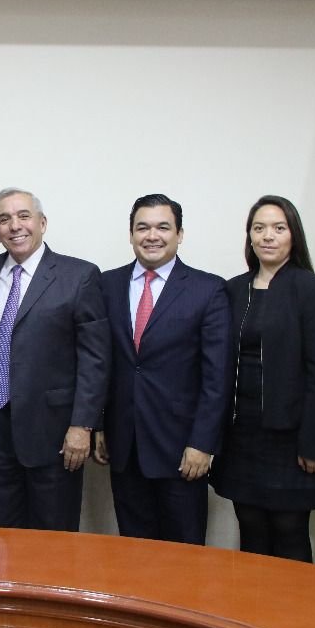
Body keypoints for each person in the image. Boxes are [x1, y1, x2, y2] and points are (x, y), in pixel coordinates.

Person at [94, 194, 231, 545]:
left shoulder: (208, 289)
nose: (152, 235)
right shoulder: (106, 285)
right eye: (143, 227)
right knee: (134, 549)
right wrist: (99, 424)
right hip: (124, 445)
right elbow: (101, 362)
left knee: (183, 554)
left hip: (182, 450)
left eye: (163, 227)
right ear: (131, 234)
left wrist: (203, 443)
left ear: (179, 234)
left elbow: (217, 377)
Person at [0, 187, 109, 531]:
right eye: (4, 219)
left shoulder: (79, 276)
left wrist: (82, 426)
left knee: (53, 535)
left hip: (54, 430)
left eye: (24, 216)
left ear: (42, 223)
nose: (14, 226)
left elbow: (95, 359)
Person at [212, 195, 315, 562]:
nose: (268, 236)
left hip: (291, 438)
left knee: (289, 528)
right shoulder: (234, 289)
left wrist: (314, 443)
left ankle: (294, 603)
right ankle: (250, 601)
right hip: (241, 434)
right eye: (259, 228)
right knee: (250, 525)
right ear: (250, 236)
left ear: (293, 235)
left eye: (278, 228)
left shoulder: (314, 290)